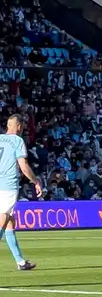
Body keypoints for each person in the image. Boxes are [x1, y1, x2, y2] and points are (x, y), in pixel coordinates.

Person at [0, 114, 42, 270]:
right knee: (3, 218)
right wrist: (36, 181)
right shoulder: (18, 141)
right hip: (7, 185)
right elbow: (23, 167)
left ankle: (20, 261)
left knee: (10, 221)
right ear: (19, 126)